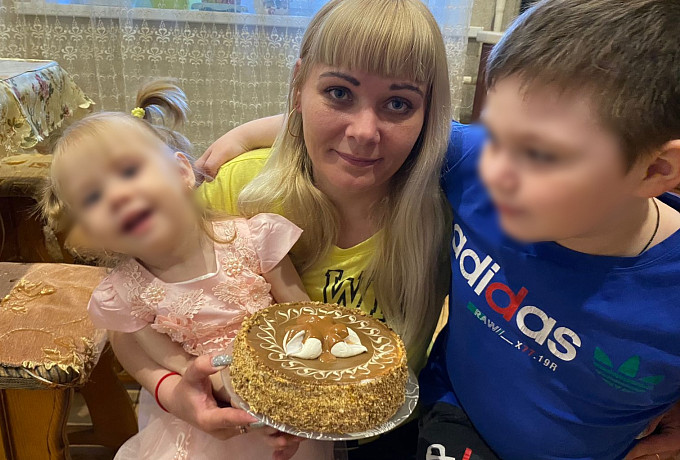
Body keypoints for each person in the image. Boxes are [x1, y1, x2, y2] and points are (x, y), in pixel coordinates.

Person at [197, 1, 680, 458]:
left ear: (657, 170)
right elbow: (361, 126)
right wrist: (242, 136)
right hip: (444, 415)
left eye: (544, 156)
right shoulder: (472, 164)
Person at [114, 1, 454, 459]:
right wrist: (174, 393)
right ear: (298, 88)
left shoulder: (447, 210)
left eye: (398, 104)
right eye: (339, 93)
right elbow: (126, 319)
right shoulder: (240, 190)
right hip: (244, 439)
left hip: (387, 438)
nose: (364, 132)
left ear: (428, 113)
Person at [41, 79, 332, 460]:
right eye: (93, 196)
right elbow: (168, 363)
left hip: (287, 393)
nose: (117, 197)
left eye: (129, 171)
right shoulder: (125, 294)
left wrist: (306, 390)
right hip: (202, 422)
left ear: (181, 171)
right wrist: (216, 394)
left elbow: (306, 317)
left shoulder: (256, 239)